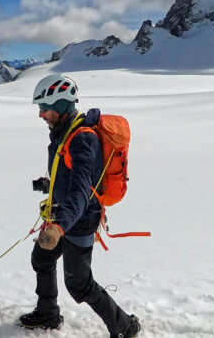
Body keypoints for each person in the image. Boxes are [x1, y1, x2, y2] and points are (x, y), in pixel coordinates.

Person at [19, 74, 140, 337]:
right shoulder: (64, 132)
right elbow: (70, 175)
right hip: (63, 215)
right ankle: (48, 314)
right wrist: (49, 184)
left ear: (62, 107)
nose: (41, 115)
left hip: (80, 218)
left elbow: (82, 192)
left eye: (45, 109)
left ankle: (125, 327)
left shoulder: (82, 138)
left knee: (79, 284)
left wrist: (59, 228)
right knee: (41, 258)